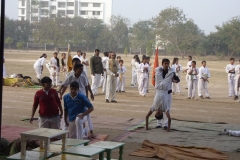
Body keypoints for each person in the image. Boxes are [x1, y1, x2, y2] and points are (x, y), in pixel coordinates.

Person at [145, 58, 179, 131]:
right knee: (167, 109)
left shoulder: (154, 107)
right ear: (163, 64)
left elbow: (176, 78)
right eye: (165, 64)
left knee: (168, 108)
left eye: (167, 64)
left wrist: (175, 80)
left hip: (166, 91)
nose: (166, 65)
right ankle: (159, 124)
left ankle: (165, 125)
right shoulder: (161, 70)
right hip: (161, 89)